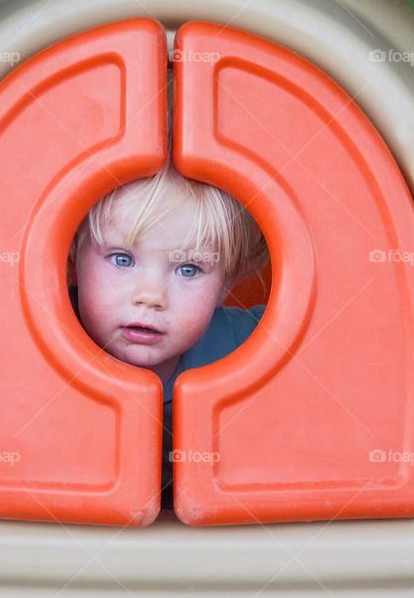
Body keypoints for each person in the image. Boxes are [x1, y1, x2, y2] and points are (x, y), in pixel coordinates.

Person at [67, 160, 269, 509]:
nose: (151, 295)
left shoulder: (248, 342)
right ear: (71, 259)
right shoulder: (35, 334)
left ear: (225, 286)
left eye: (189, 269)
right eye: (122, 259)